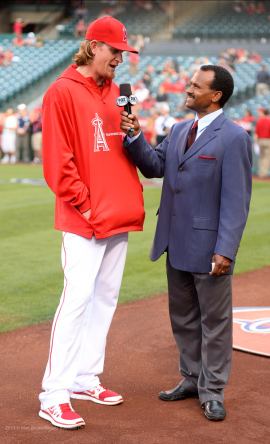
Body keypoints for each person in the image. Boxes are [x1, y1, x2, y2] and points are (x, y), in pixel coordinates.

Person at [120, 65, 252, 421]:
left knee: (215, 322)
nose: (187, 88)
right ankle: (192, 379)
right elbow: (154, 166)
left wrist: (226, 250)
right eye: (190, 83)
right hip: (174, 243)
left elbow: (236, 201)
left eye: (195, 85)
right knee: (183, 319)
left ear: (216, 95)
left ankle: (212, 391)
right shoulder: (179, 130)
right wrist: (133, 137)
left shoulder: (234, 137)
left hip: (210, 249)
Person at [39, 15, 144, 430]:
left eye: (123, 52)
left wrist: (136, 133)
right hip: (84, 218)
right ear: (94, 46)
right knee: (76, 301)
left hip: (118, 214)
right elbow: (57, 162)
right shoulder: (61, 91)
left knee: (105, 300)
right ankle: (54, 393)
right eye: (115, 50)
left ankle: (85, 377)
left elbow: (121, 152)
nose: (120, 58)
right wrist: (84, 206)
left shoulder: (118, 93)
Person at [255, 108, 270, 177]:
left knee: (261, 157)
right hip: (268, 140)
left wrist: (256, 142)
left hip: (260, 140)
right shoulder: (269, 120)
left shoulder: (259, 121)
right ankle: (264, 173)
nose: (259, 114)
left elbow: (256, 133)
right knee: (266, 157)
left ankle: (261, 173)